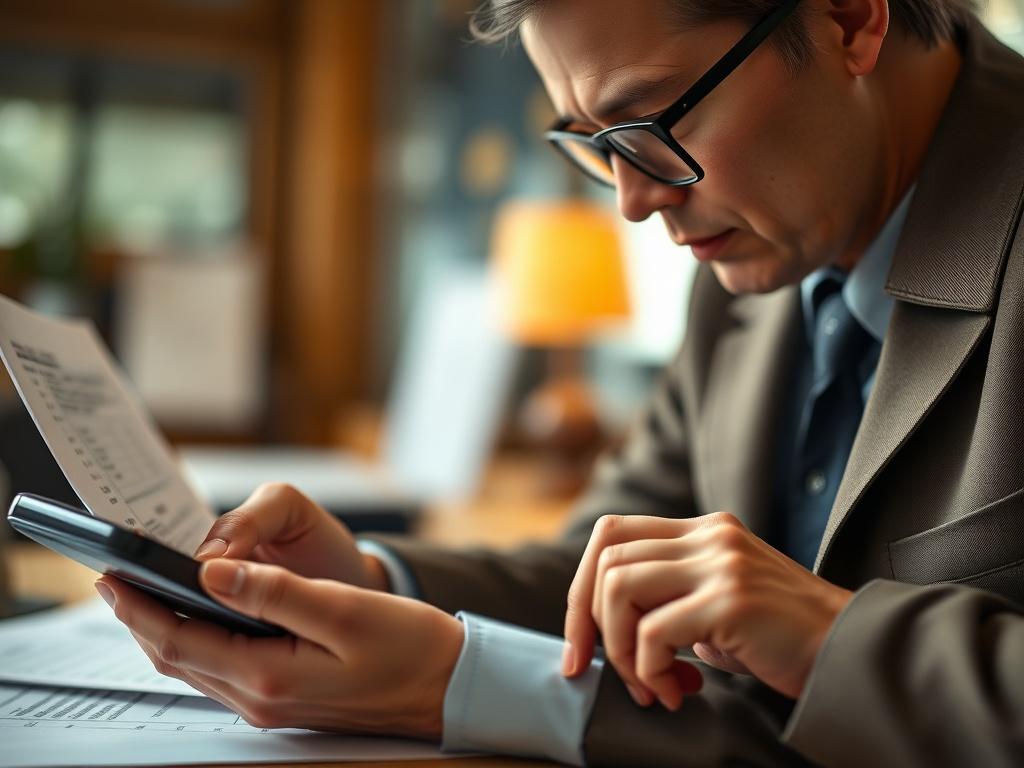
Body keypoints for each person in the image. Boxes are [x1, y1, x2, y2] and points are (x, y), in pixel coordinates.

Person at [95, 0, 1024, 765]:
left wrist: (831, 639)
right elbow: (605, 567)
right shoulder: (759, 245)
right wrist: (373, 582)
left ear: (850, 18)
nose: (633, 199)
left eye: (656, 121)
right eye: (593, 142)